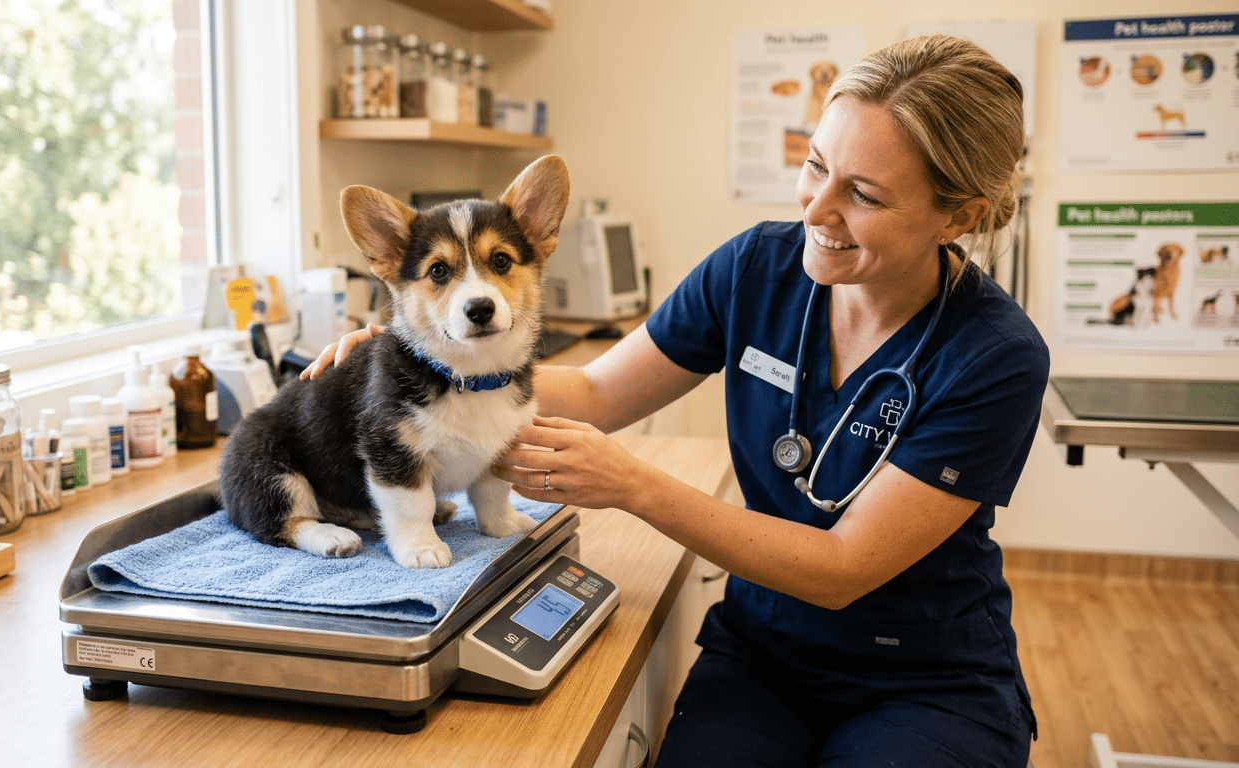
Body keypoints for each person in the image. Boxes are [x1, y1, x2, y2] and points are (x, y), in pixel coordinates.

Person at [305, 34, 1047, 768]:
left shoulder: (995, 357)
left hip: (925, 678)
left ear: (960, 216)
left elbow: (843, 567)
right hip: (768, 654)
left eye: (863, 193)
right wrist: (420, 363)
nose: (816, 210)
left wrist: (632, 484)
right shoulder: (758, 265)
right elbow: (597, 390)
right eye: (816, 165)